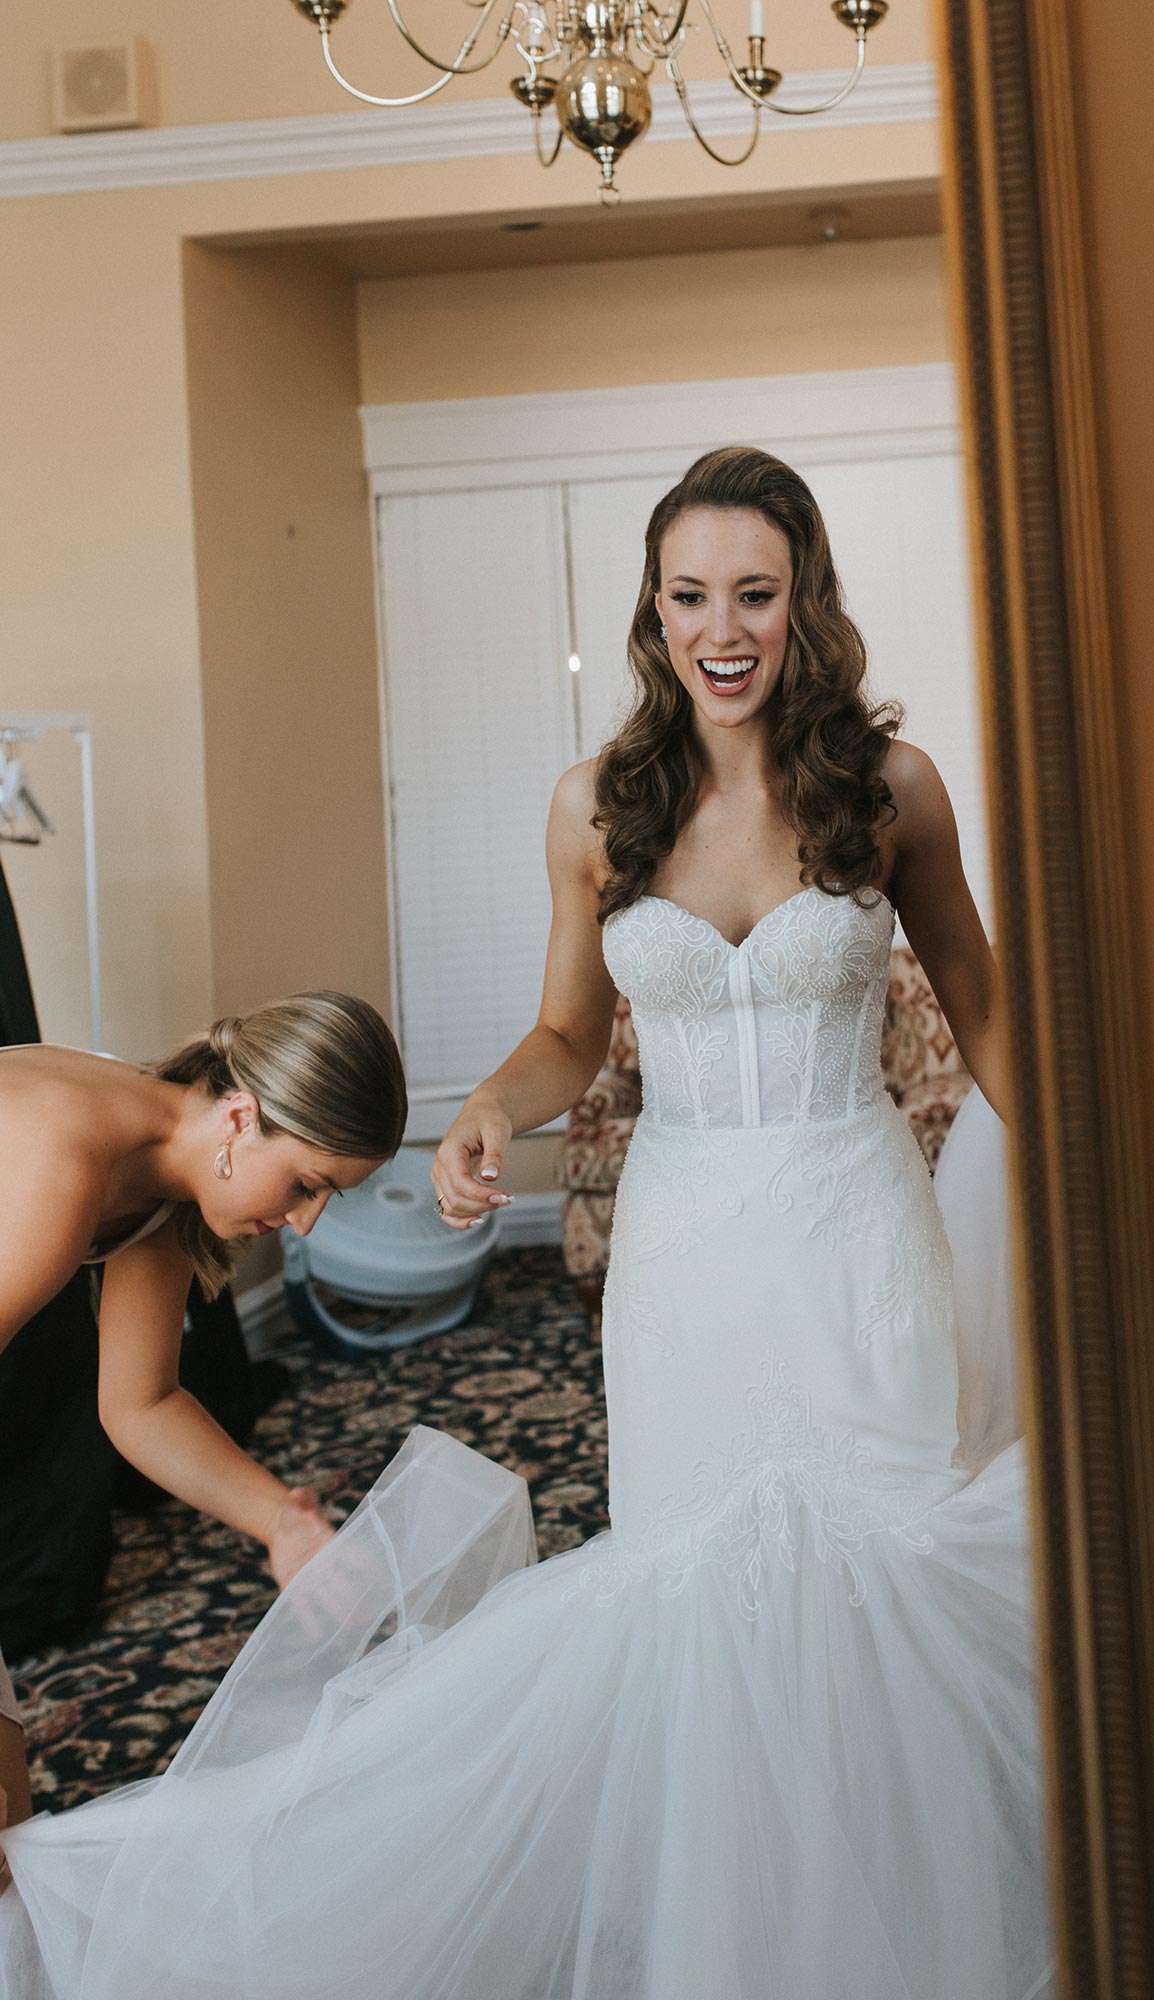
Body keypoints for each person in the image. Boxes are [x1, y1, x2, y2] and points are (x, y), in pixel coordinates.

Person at [0, 449, 1050, 1998]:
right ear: (653, 608)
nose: (722, 629)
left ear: (804, 601)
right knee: (695, 1594)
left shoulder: (890, 790)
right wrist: (495, 1101)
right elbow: (571, 1032)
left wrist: (1108, 1179)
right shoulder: (597, 805)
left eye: (753, 592)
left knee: (874, 1565)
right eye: (689, 595)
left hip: (852, 1224)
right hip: (688, 1251)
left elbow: (985, 1012)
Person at [0, 991, 408, 1866]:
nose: (303, 1222)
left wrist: (281, 1518)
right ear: (240, 1113)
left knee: (9, 1820)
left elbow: (139, 1405)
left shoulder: (161, 1179)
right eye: (306, 1185)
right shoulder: (69, 1156)